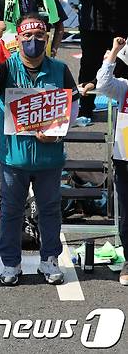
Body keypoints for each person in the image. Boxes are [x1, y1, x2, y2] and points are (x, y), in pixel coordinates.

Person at [0, 14, 80, 285]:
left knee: (50, 210)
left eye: (39, 36)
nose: (33, 41)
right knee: (11, 210)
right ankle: (10, 262)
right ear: (19, 38)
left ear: (46, 39)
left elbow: (73, 107)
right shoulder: (7, 67)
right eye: (27, 36)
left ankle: (49, 260)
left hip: (49, 158)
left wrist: (57, 135)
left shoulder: (59, 69)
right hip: (14, 157)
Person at [93, 36, 128, 285]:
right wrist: (114, 52)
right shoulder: (125, 87)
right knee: (126, 215)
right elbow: (103, 84)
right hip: (125, 159)